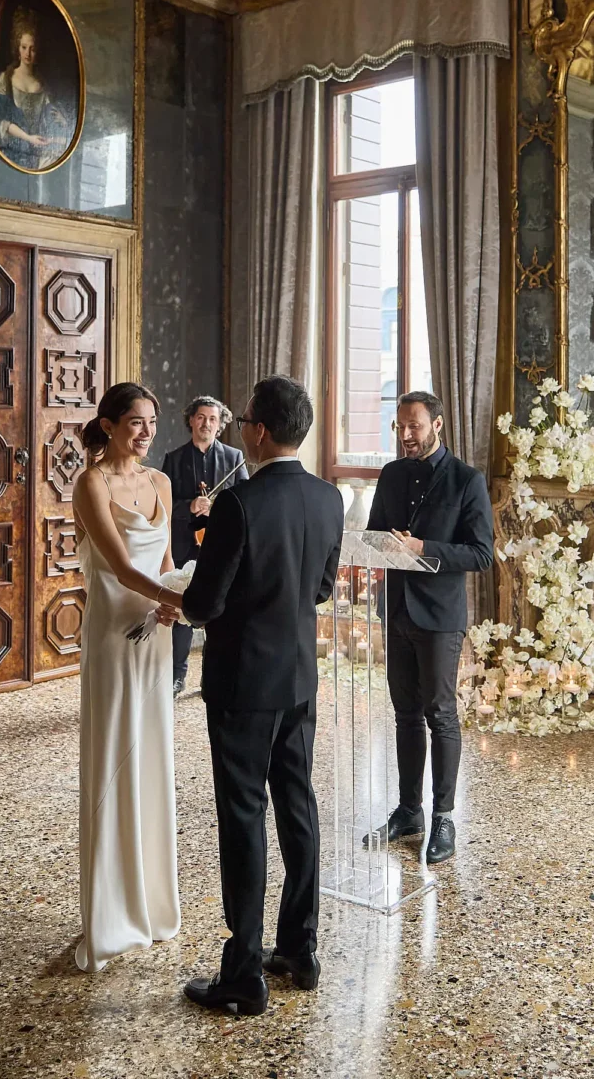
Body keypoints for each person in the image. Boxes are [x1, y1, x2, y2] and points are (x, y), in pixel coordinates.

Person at [179, 375, 344, 1017]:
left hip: (244, 682)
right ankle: (300, 949)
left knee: (244, 817)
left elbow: (204, 603)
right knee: (297, 806)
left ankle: (243, 973)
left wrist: (180, 603)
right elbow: (322, 589)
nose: (241, 426)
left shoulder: (238, 504)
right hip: (299, 677)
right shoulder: (329, 498)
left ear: (259, 431)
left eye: (244, 418)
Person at [72, 383, 184, 973]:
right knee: (116, 752)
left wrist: (175, 601)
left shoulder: (162, 483)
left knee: (153, 753)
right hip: (114, 636)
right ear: (110, 425)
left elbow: (163, 563)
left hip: (155, 631)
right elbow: (118, 566)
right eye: (135, 422)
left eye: (152, 422)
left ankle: (152, 903)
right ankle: (111, 916)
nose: (145, 432)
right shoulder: (92, 484)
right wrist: (166, 595)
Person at [365, 391, 493, 865]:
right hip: (395, 609)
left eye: (414, 426)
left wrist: (424, 548)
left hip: (440, 618)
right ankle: (408, 810)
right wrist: (380, 546)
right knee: (404, 714)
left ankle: (443, 817)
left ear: (436, 425)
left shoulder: (467, 480)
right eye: (400, 426)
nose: (405, 435)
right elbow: (376, 534)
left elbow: (481, 554)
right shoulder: (391, 474)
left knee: (440, 714)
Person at [161, 396, 248, 696]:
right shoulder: (174, 459)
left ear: (220, 425)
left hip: (221, 542)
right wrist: (190, 505)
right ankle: (177, 675)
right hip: (186, 543)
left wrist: (220, 508)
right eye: (200, 417)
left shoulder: (235, 458)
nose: (206, 423)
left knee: (220, 611)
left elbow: (246, 499)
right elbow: (163, 504)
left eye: (212, 419)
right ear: (191, 420)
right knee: (185, 607)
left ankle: (214, 676)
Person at [0, 7, 72, 170]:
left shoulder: (43, 86)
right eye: (24, 47)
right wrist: (27, 138)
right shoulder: (6, 80)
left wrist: (64, 121)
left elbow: (50, 121)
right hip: (10, 152)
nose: (27, 53)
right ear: (17, 47)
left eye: (33, 48)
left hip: (38, 154)